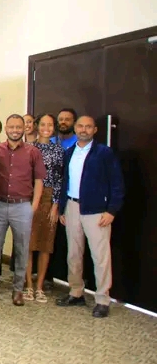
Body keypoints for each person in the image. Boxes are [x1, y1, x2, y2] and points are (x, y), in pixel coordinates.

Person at [57, 116, 124, 318]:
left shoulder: (104, 153)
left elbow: (117, 184)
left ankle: (102, 299)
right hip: (72, 207)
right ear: (75, 128)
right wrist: (62, 209)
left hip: (96, 211)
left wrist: (111, 210)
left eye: (88, 127)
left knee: (100, 257)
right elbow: (65, 181)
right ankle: (76, 292)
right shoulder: (69, 152)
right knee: (73, 254)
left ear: (95, 130)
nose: (83, 130)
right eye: (80, 126)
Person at [0, 114, 45, 305]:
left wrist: (33, 206)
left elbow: (39, 180)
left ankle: (18, 289)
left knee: (22, 248)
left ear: (24, 129)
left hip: (22, 206)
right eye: (11, 127)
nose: (15, 130)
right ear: (6, 129)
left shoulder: (33, 152)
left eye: (18, 127)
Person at [24, 113, 63, 303]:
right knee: (28, 244)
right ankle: (28, 286)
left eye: (50, 125)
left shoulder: (58, 150)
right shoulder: (28, 148)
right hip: (29, 198)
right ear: (36, 126)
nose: (46, 128)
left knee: (45, 244)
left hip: (49, 199)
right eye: (43, 124)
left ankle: (39, 286)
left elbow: (59, 179)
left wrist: (55, 205)